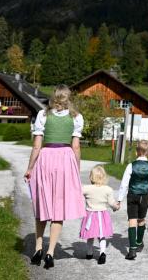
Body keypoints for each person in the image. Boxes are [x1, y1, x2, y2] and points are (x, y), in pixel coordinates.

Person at [24, 85, 85, 269]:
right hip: (65, 159)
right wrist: (77, 170)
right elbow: (76, 147)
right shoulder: (76, 117)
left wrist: (29, 168)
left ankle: (37, 248)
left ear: (53, 97)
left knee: (42, 204)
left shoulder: (43, 116)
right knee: (58, 208)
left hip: (46, 158)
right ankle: (50, 253)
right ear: (68, 98)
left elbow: (36, 146)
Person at [117, 140, 148, 260]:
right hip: (144, 196)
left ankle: (132, 249)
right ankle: (139, 242)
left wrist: (119, 199)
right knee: (141, 219)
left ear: (136, 152)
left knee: (132, 220)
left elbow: (124, 184)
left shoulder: (131, 165)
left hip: (133, 195)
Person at [79, 165, 120, 264]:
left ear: (91, 177)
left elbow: (77, 194)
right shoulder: (108, 189)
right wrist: (116, 207)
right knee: (102, 235)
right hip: (102, 215)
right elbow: (111, 203)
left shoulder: (86, 188)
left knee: (90, 235)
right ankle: (102, 253)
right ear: (104, 177)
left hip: (90, 215)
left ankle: (89, 253)